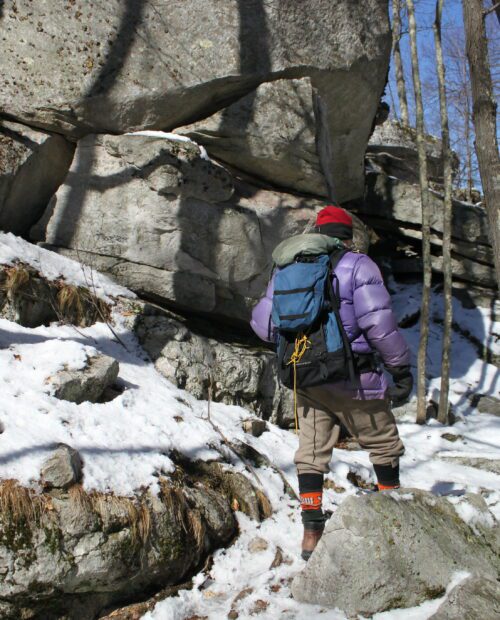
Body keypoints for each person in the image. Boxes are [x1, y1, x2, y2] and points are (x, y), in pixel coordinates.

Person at [250, 205, 413, 560]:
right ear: (348, 235)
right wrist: (400, 369)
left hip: (306, 377)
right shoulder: (358, 265)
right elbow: (380, 326)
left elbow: (264, 326)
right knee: (384, 446)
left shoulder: (286, 267)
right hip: (355, 377)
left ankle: (311, 535)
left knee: (310, 455)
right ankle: (399, 521)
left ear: (316, 232)